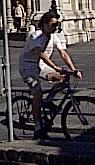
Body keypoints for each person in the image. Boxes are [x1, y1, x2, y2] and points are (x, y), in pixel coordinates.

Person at [19, 11, 82, 140]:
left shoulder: (54, 37)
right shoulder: (35, 36)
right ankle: (37, 127)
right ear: (45, 24)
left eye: (57, 25)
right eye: (53, 25)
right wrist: (55, 67)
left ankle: (48, 101)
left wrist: (74, 69)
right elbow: (40, 53)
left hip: (41, 66)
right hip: (27, 66)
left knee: (63, 79)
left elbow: (63, 53)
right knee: (38, 93)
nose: (56, 27)